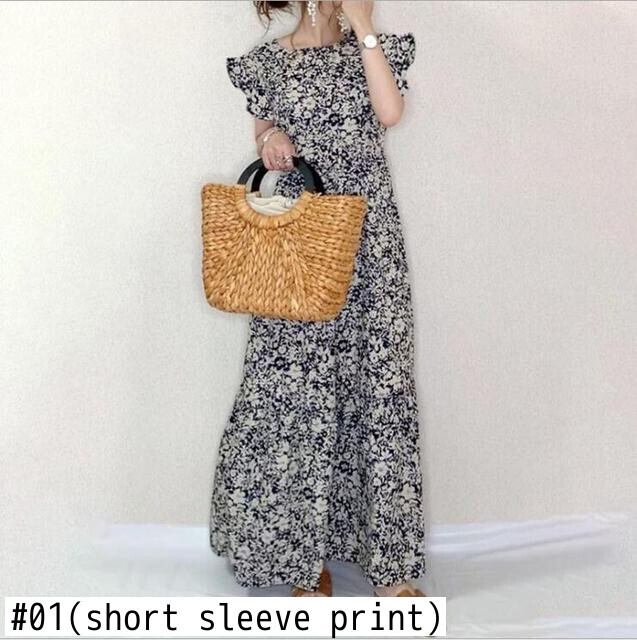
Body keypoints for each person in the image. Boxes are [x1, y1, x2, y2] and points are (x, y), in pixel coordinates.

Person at [209, 0, 427, 598]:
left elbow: (389, 112)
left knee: (378, 385)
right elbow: (262, 129)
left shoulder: (372, 49)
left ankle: (389, 567)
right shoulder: (271, 62)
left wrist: (364, 28)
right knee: (295, 393)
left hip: (370, 242)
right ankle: (301, 561)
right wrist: (273, 136)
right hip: (300, 244)